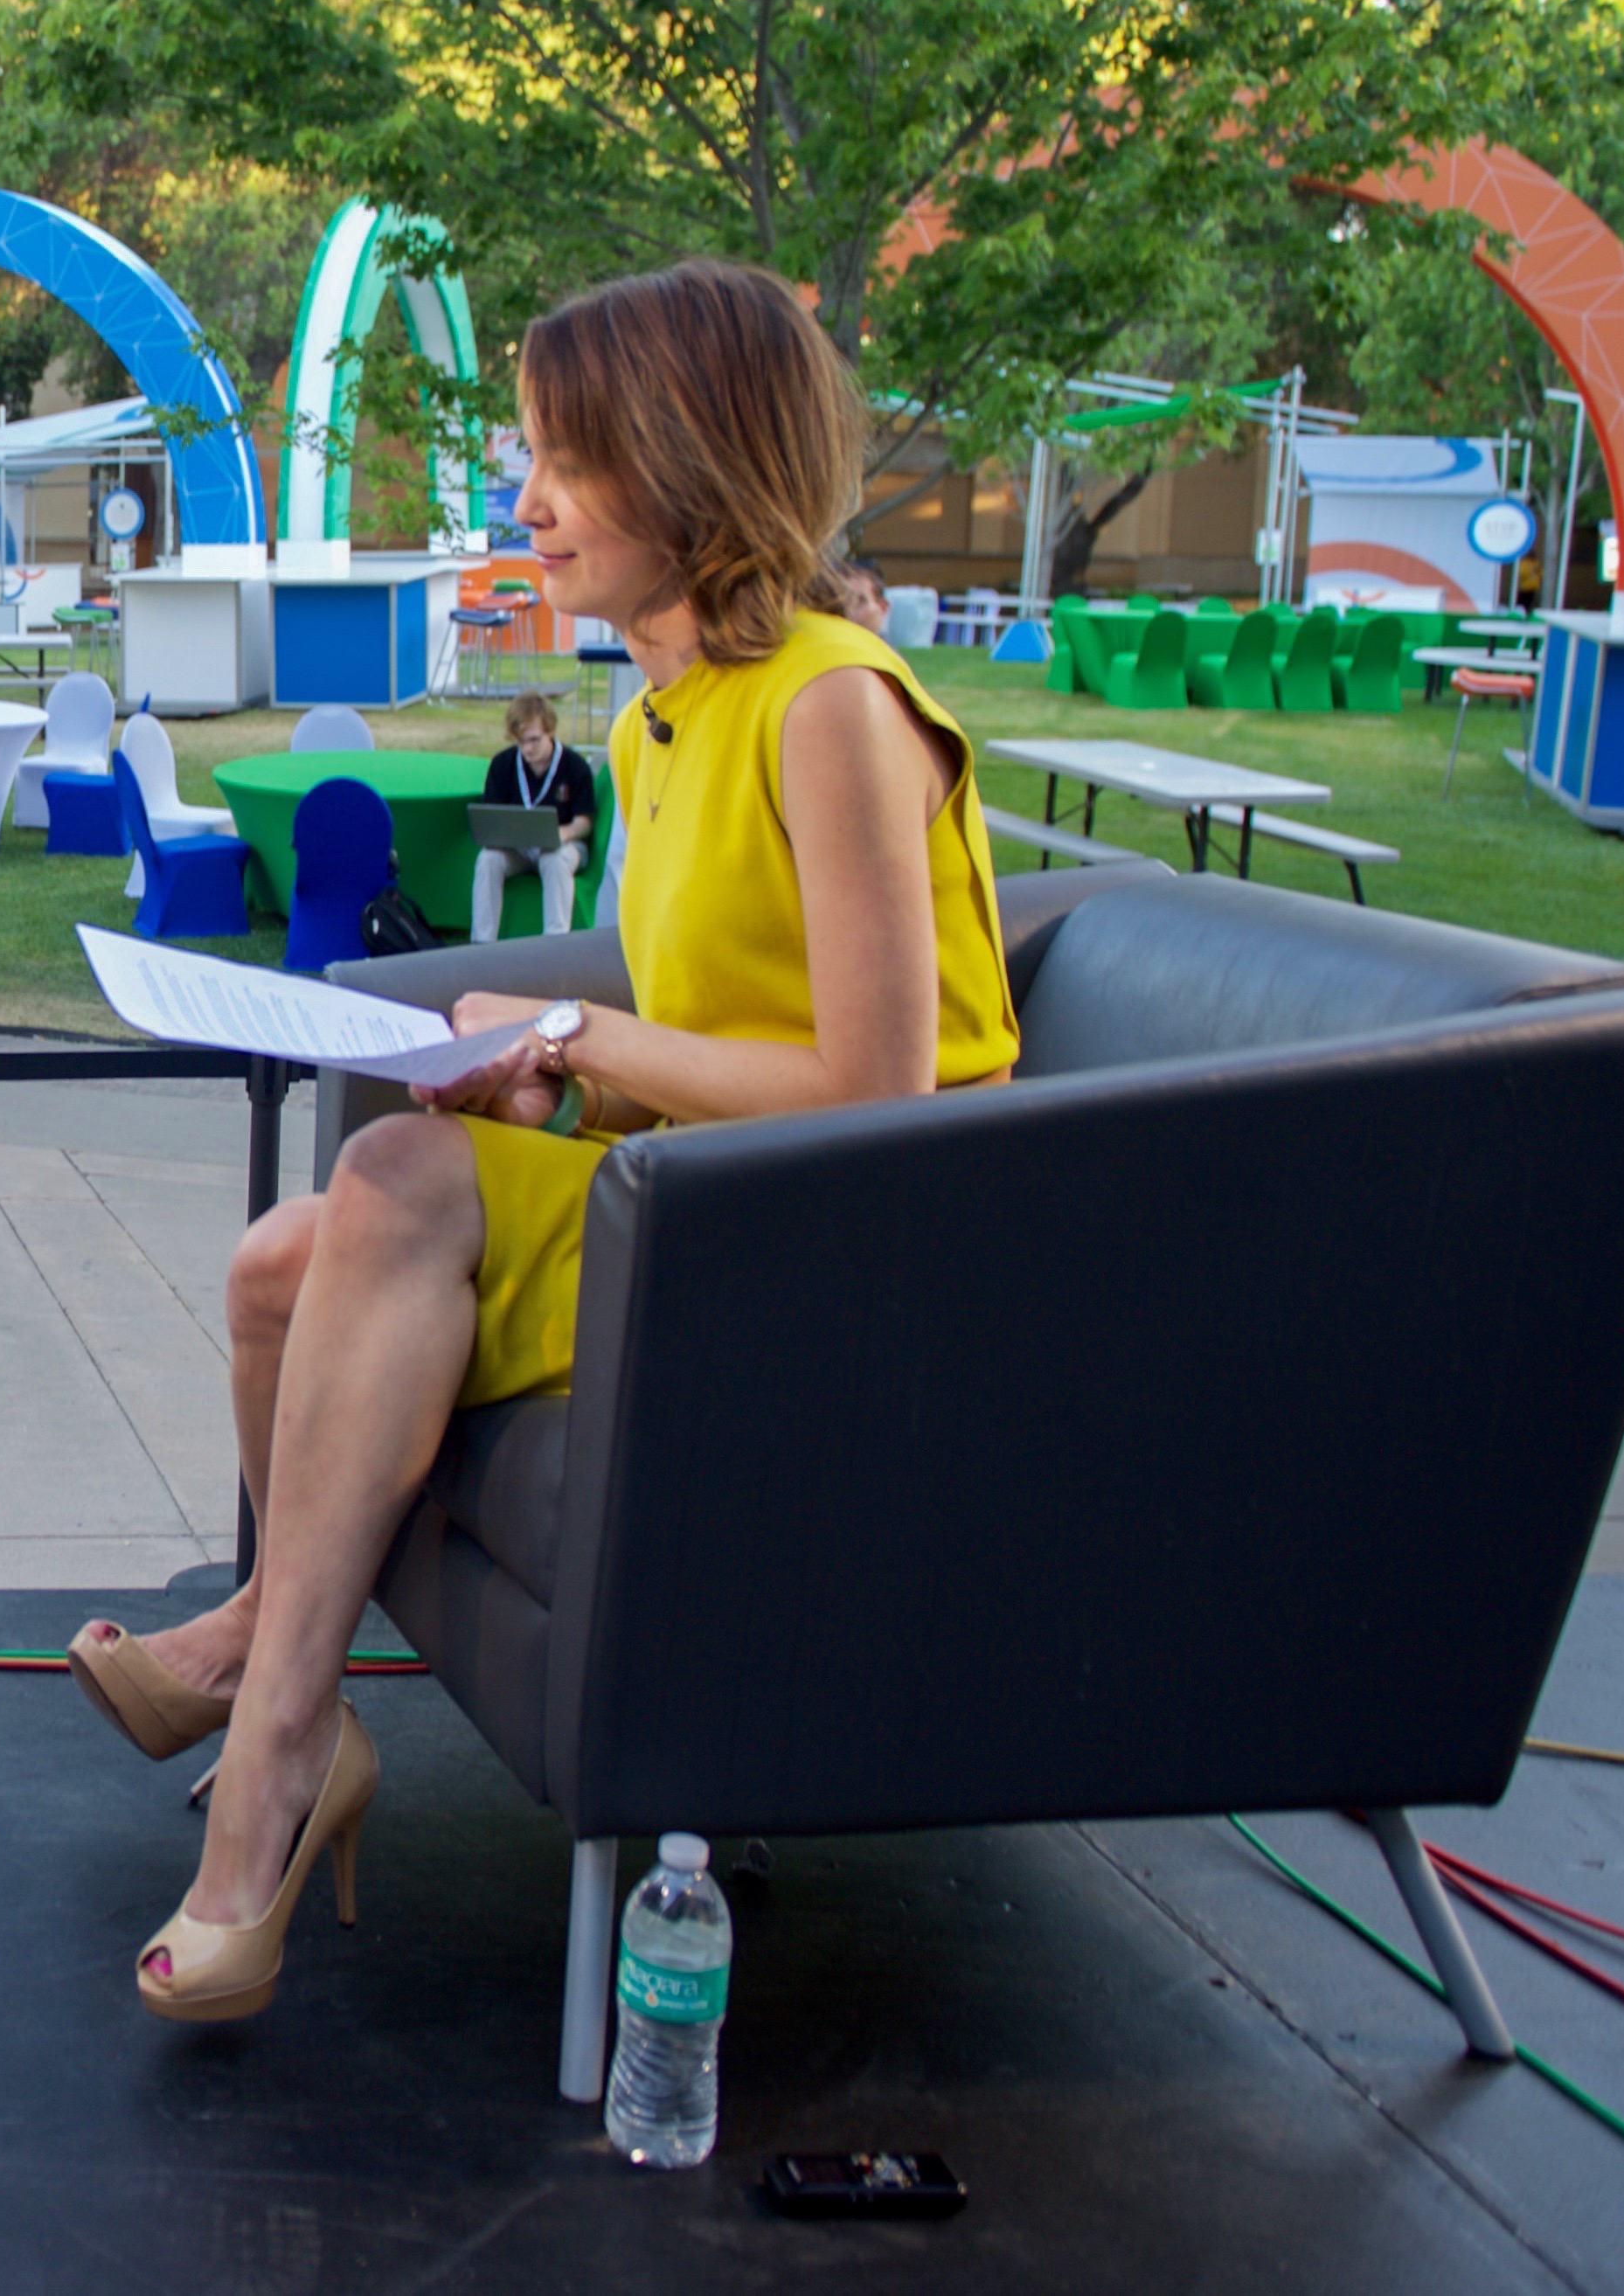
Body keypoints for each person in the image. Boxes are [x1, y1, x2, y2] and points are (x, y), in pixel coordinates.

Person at [66, 258, 1017, 2023]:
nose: (526, 501)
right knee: (281, 1266)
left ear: (694, 464)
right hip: (716, 1194)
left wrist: (569, 1038)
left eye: (566, 462)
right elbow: (724, 1036)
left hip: (872, 1241)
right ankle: (287, 1639)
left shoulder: (834, 704)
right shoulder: (665, 717)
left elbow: (884, 1096)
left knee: (390, 1178)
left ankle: (277, 1737)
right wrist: (558, 1082)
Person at [467, 690, 594, 939]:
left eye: (534, 740)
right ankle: (481, 944)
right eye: (521, 741)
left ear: (551, 731)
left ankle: (555, 944)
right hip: (518, 849)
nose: (527, 749)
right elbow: (492, 816)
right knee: (488, 860)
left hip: (564, 845)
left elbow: (584, 822)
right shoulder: (503, 764)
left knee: (554, 860)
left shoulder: (575, 766)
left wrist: (561, 834)